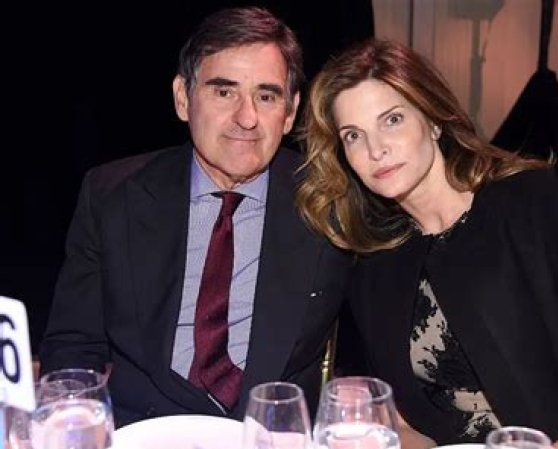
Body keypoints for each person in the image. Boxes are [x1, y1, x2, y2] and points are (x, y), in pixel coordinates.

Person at [296, 39, 558, 449]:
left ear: (433, 120)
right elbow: (407, 426)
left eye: (392, 119)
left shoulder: (531, 207)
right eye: (353, 135)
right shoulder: (376, 264)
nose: (376, 149)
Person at [39, 7, 352, 427]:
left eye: (266, 96)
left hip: (271, 443)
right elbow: (74, 345)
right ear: (183, 98)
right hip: (142, 437)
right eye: (224, 92)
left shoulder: (332, 201)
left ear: (291, 112)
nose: (247, 118)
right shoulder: (113, 195)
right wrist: (75, 432)